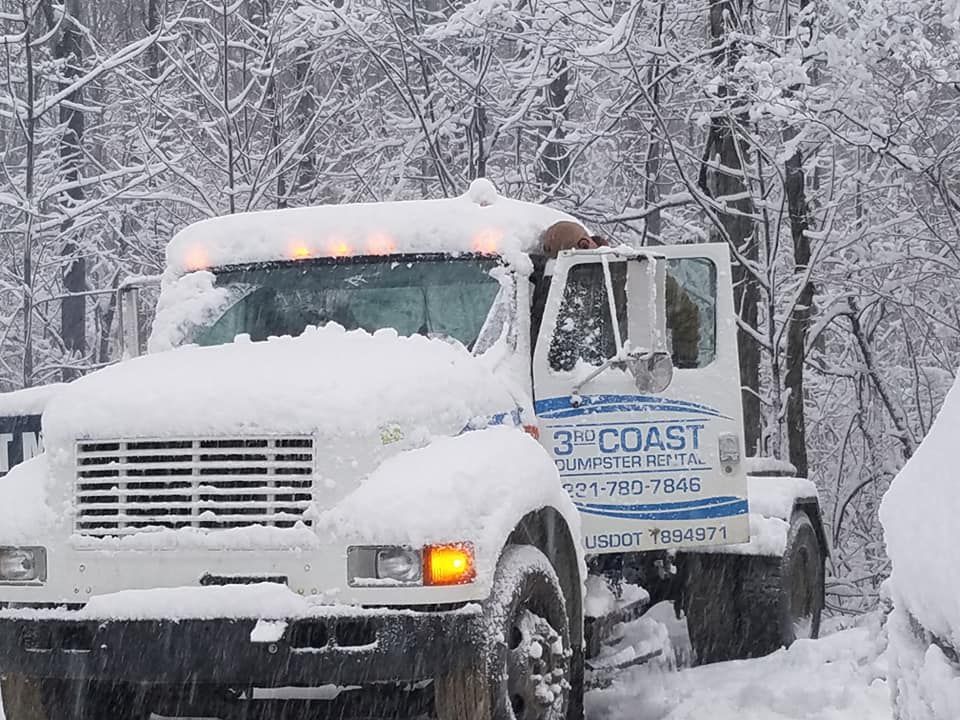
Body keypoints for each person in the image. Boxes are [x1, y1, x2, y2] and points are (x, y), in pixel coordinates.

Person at [535, 220, 701, 369]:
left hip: (629, 383)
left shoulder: (638, 272)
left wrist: (684, 366)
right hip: (578, 382)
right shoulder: (563, 283)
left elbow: (686, 315)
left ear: (585, 244)